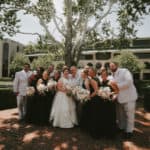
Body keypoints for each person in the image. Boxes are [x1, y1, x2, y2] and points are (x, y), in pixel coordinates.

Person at [109, 62, 138, 139]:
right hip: (119, 98)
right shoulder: (111, 76)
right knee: (120, 115)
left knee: (129, 116)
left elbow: (129, 81)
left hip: (129, 98)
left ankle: (129, 131)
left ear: (117, 65)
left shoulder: (124, 71)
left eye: (113, 65)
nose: (111, 67)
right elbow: (113, 88)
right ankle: (121, 128)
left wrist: (117, 86)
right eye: (110, 66)